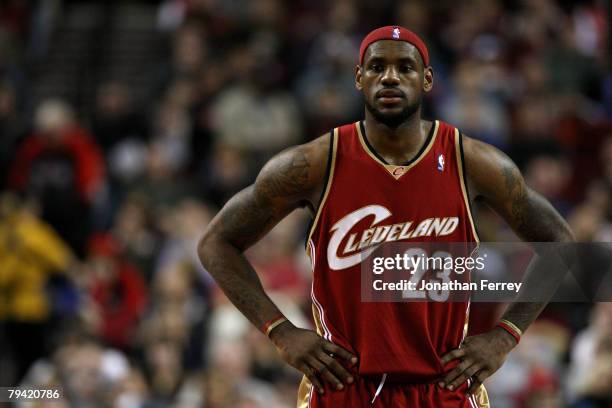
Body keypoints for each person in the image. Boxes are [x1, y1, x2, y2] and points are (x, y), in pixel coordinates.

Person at [197, 26, 573, 407]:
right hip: (343, 385)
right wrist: (280, 331)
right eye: (377, 66)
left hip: (442, 385)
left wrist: (505, 335)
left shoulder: (473, 161)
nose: (390, 76)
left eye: (404, 68)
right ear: (359, 78)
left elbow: (560, 242)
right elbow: (216, 243)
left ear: (426, 80)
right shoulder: (314, 163)